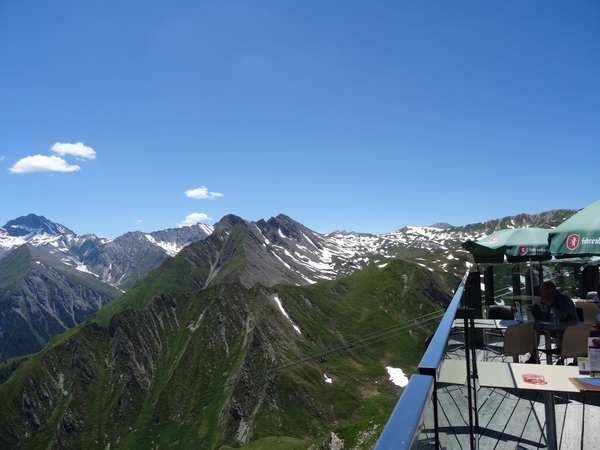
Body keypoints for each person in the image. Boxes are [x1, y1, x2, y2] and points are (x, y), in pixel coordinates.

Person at [539, 281, 578, 359]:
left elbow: (561, 317)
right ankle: (533, 353)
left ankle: (561, 358)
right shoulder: (543, 300)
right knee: (534, 330)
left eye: (541, 290)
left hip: (570, 327)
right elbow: (544, 317)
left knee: (559, 334)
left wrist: (550, 305)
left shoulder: (564, 300)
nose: (540, 292)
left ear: (550, 290)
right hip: (553, 326)